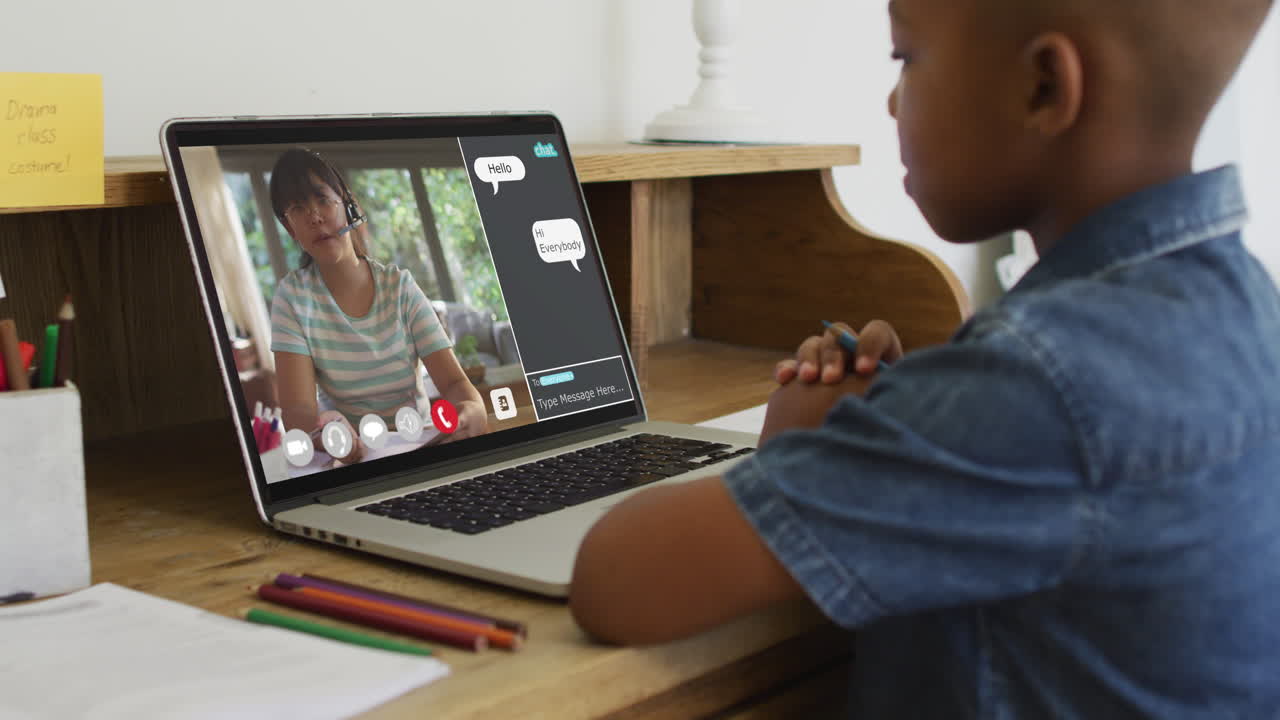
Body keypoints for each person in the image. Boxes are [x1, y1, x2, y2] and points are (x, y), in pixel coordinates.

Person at [569, 1, 1280, 717]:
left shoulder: (1035, 383)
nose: (890, 101)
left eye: (905, 59)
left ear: (1043, 86)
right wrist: (913, 415)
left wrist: (813, 445)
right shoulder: (1245, 307)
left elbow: (618, 580)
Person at [268, 148, 488, 463]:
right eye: (298, 208)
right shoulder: (292, 298)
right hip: (355, 460)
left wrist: (472, 410)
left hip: (424, 447)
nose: (314, 216)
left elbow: (455, 384)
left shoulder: (400, 287)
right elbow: (298, 410)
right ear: (290, 228)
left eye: (322, 199)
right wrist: (325, 433)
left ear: (348, 205)